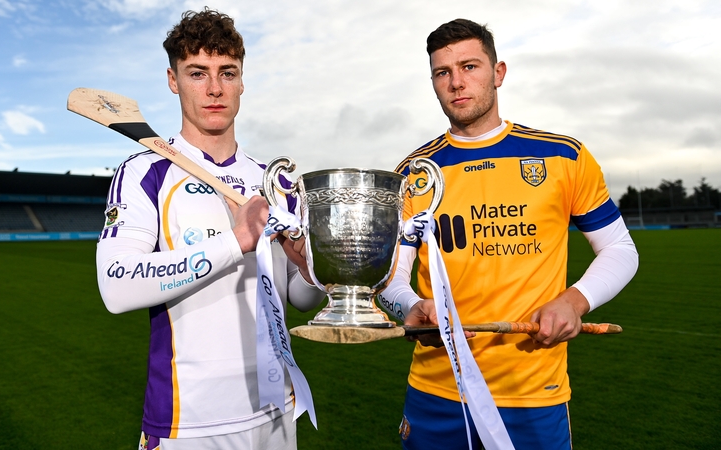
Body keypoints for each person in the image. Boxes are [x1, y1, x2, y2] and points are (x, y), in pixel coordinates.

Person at [379, 18, 639, 449]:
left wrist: (574, 301)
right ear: (433, 83)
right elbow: (389, 278)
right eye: (443, 72)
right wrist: (412, 305)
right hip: (437, 391)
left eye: (470, 67)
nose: (457, 82)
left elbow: (619, 248)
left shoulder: (562, 156)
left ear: (498, 73)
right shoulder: (413, 174)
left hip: (533, 394)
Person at [95, 9, 325, 450]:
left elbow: (300, 299)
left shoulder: (274, 180)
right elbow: (116, 286)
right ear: (173, 80)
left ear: (242, 81)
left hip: (279, 410)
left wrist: (309, 269)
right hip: (190, 422)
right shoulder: (145, 172)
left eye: (227, 73)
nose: (215, 88)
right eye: (198, 73)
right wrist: (236, 241)